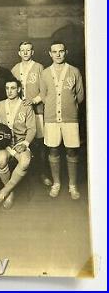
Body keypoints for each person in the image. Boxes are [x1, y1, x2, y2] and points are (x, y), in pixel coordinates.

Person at [40, 41, 84, 199]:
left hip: (70, 118)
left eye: (61, 51)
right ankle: (56, 182)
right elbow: (44, 97)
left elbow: (80, 97)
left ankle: (72, 185)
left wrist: (68, 107)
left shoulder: (74, 71)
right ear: (50, 54)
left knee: (72, 150)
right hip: (51, 118)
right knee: (53, 149)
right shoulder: (45, 73)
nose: (58, 54)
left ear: (66, 52)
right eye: (54, 51)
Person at [0, 77, 36, 209]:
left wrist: (25, 143)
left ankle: (3, 192)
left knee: (25, 161)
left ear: (19, 89)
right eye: (7, 88)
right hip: (4, 143)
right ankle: (11, 193)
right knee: (1, 161)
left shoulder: (26, 106)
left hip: (20, 142)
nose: (9, 91)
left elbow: (32, 129)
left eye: (13, 88)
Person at [11, 41, 51, 186]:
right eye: (23, 50)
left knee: (39, 143)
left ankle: (42, 173)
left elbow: (45, 91)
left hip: (37, 111)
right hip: (21, 113)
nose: (25, 53)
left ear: (32, 52)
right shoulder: (15, 69)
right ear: (19, 53)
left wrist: (34, 101)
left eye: (28, 50)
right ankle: (24, 175)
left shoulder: (40, 67)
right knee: (22, 141)